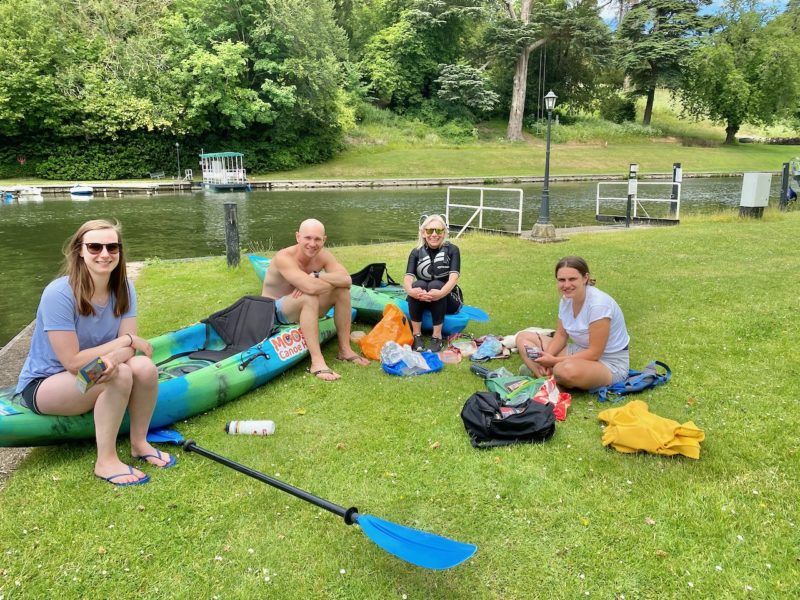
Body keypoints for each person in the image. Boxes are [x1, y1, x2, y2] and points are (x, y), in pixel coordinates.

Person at [15, 219, 173, 487]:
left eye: (112, 247)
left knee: (144, 368)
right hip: (46, 384)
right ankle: (106, 461)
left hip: (96, 369)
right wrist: (125, 341)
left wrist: (118, 351)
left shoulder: (123, 288)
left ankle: (139, 443)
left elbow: (130, 351)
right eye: (95, 247)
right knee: (119, 375)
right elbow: (73, 362)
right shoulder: (59, 293)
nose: (104, 254)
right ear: (80, 250)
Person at [261, 218, 369, 381]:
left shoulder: (323, 256)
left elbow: (347, 280)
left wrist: (318, 275)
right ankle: (317, 363)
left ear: (324, 240)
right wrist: (326, 282)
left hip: (301, 306)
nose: (312, 243)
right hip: (273, 312)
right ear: (298, 237)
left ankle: (345, 350)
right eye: (308, 238)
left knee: (341, 291)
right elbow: (311, 288)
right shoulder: (284, 257)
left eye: (317, 239)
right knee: (309, 295)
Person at [517, 256, 629, 390]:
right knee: (523, 338)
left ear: (585, 278)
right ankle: (545, 379)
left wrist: (554, 361)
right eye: (561, 280)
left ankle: (551, 376)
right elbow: (561, 335)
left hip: (608, 363)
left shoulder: (598, 305)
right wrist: (547, 357)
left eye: (572, 279)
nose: (566, 285)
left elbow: (595, 353)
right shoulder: (566, 299)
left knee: (565, 370)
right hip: (579, 351)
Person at [403, 214, 463, 353]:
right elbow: (407, 278)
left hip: (449, 299)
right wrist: (411, 291)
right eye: (430, 231)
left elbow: (454, 278)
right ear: (423, 233)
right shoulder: (416, 252)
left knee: (435, 284)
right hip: (424, 298)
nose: (434, 234)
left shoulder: (453, 250)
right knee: (419, 285)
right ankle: (416, 335)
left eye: (438, 231)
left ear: (444, 232)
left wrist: (440, 293)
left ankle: (437, 337)